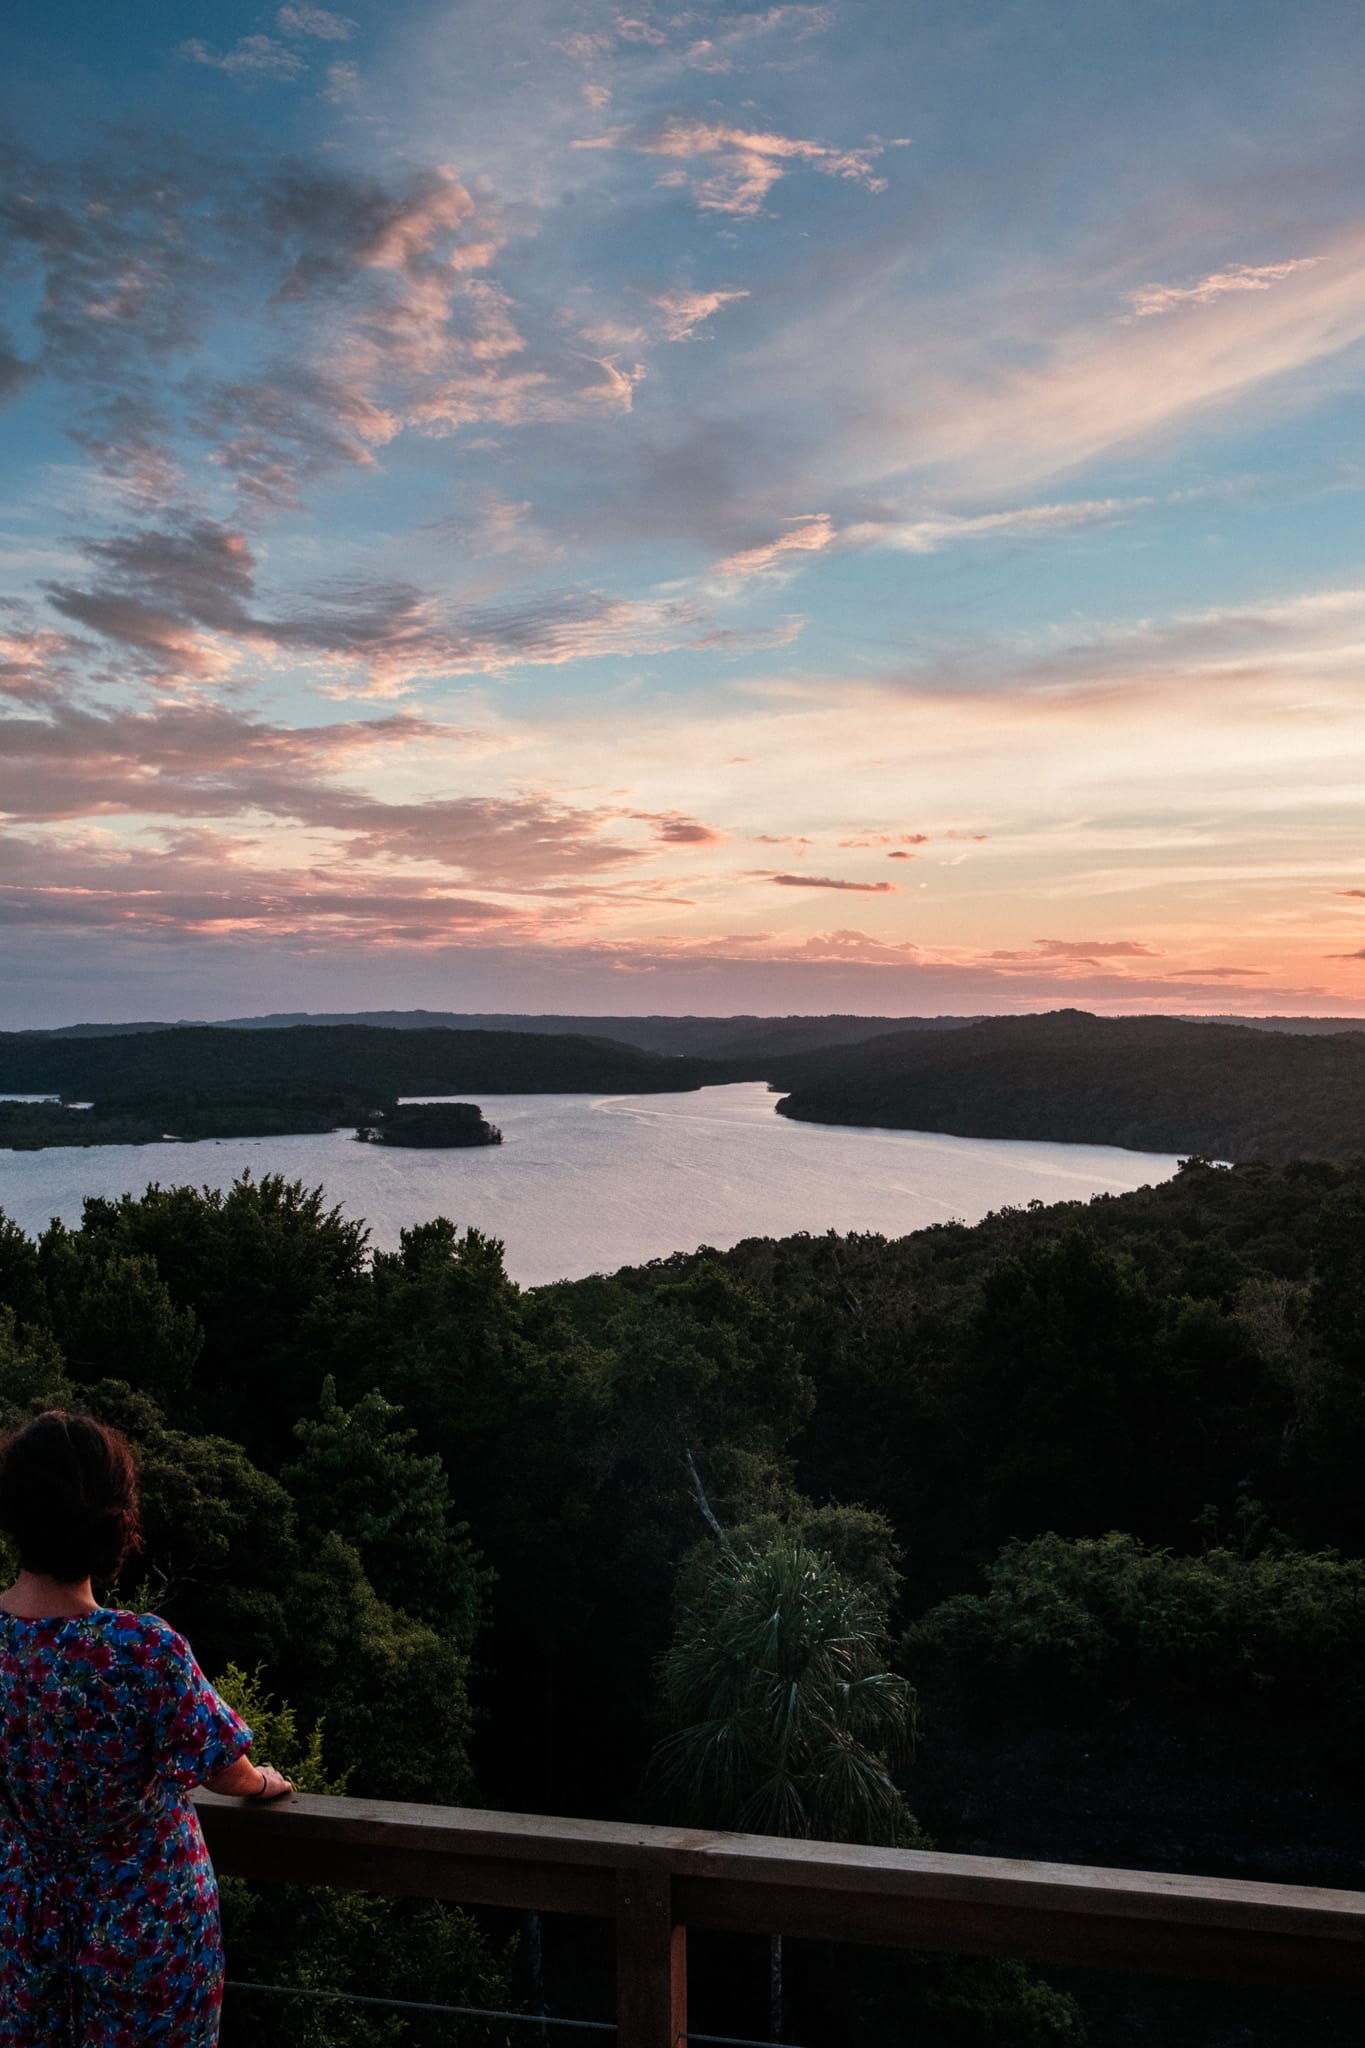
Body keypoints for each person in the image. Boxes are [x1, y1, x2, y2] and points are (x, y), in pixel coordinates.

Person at [0, 1409, 293, 2046]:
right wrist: (265, 1782)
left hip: (22, 1922)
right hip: (145, 1930)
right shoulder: (139, 1648)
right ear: (113, 1522)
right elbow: (224, 1770)